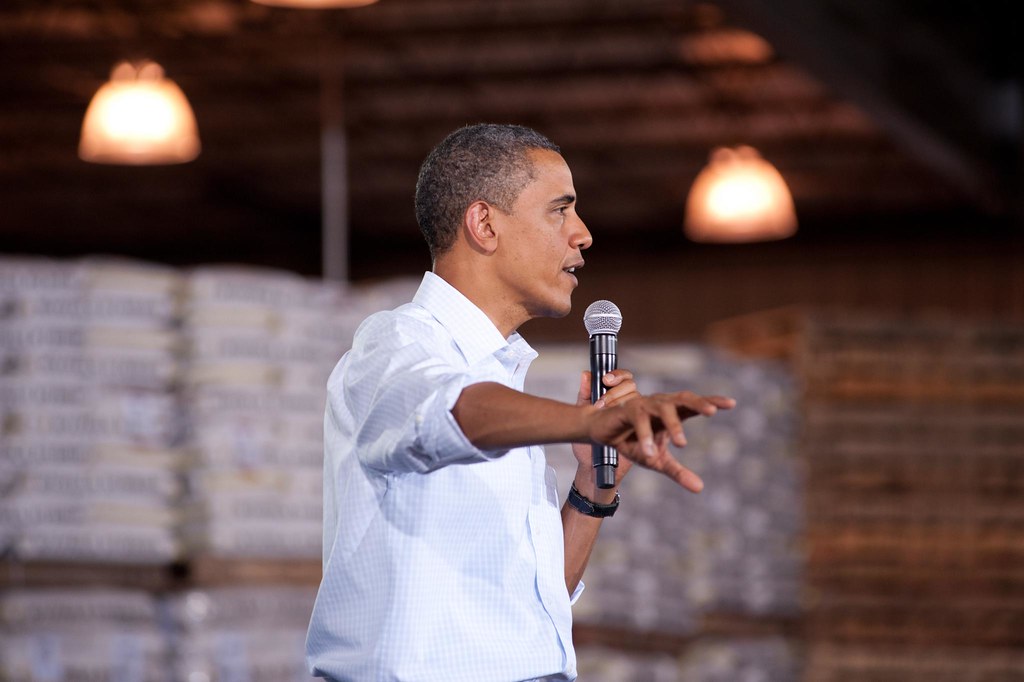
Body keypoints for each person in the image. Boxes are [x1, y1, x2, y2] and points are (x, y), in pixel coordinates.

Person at [306, 123, 734, 681]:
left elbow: (532, 610)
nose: (583, 235)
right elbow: (447, 411)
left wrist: (593, 489)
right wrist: (587, 420)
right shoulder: (397, 344)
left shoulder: (498, 377)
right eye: (560, 210)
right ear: (485, 225)